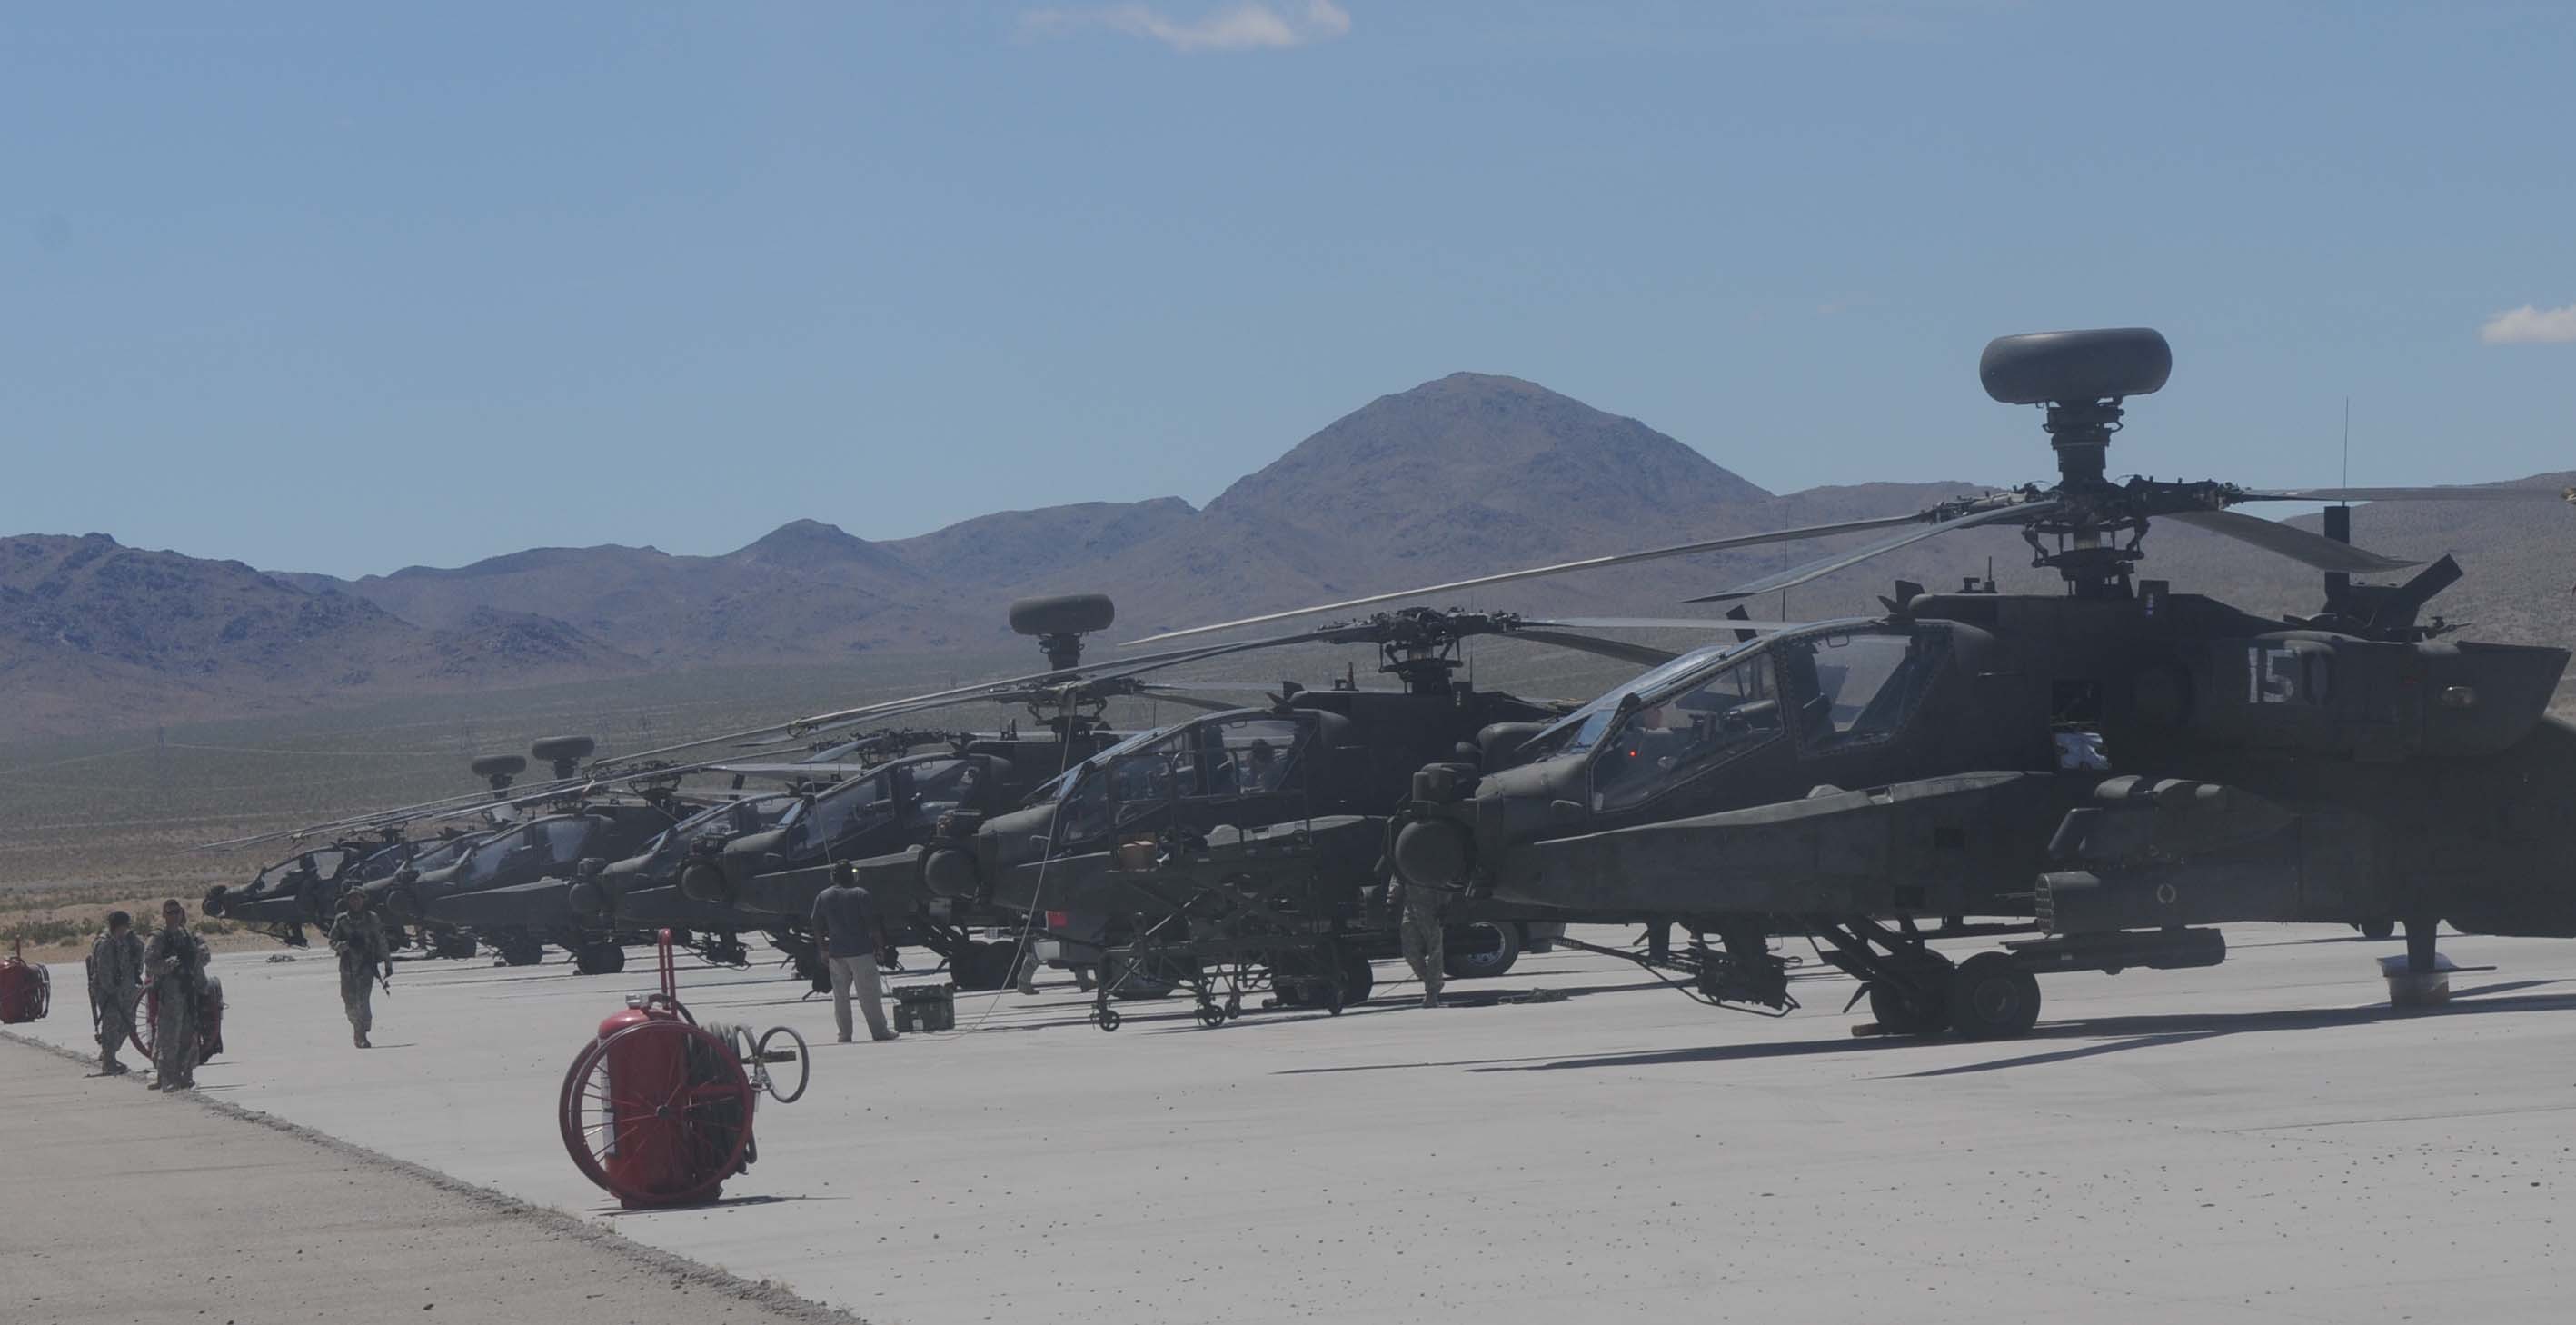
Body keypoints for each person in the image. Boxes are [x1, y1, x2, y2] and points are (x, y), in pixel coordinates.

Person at [810, 863, 895, 1042]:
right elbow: (872, 925)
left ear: (833, 876)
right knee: (869, 995)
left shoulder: (823, 896)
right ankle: (879, 1031)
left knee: (840, 997)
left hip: (836, 953)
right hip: (861, 952)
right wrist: (880, 947)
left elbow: (816, 925)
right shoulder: (860, 894)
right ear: (851, 875)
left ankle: (845, 1034)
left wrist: (822, 949)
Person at [144, 899, 207, 1090]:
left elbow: (200, 959)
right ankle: (167, 1078)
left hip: (188, 992)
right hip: (170, 994)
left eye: (177, 912)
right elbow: (149, 962)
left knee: (189, 1035)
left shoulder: (189, 936)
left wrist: (202, 986)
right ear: (164, 915)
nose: (174, 916)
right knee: (168, 1037)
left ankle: (186, 1074)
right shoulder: (158, 938)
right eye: (170, 913)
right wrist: (166, 965)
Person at [328, 890, 391, 1048]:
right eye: (352, 900)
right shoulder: (341, 920)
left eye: (358, 899)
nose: (356, 902)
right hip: (347, 966)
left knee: (362, 1000)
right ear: (348, 901)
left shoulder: (372, 919)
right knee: (348, 1000)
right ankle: (357, 1027)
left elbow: (381, 941)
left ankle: (361, 1032)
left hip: (365, 965)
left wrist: (388, 964)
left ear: (363, 900)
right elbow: (332, 941)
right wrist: (345, 945)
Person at [86, 911, 145, 1076]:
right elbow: (103, 971)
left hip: (124, 990)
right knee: (111, 1024)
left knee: (128, 1024)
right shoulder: (105, 944)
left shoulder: (124, 940)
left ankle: (108, 1054)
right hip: (109, 992)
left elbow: (139, 954)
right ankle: (109, 1062)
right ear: (119, 926)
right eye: (125, 926)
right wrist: (111, 992)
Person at [1387, 877, 1448, 1009]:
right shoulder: (1405, 859)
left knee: (1435, 951)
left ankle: (1432, 993)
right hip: (1410, 909)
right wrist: (1391, 900)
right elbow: (1397, 877)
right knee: (1410, 952)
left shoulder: (1431, 860)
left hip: (1432, 908)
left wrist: (1444, 903)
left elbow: (1444, 879)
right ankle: (1430, 982)